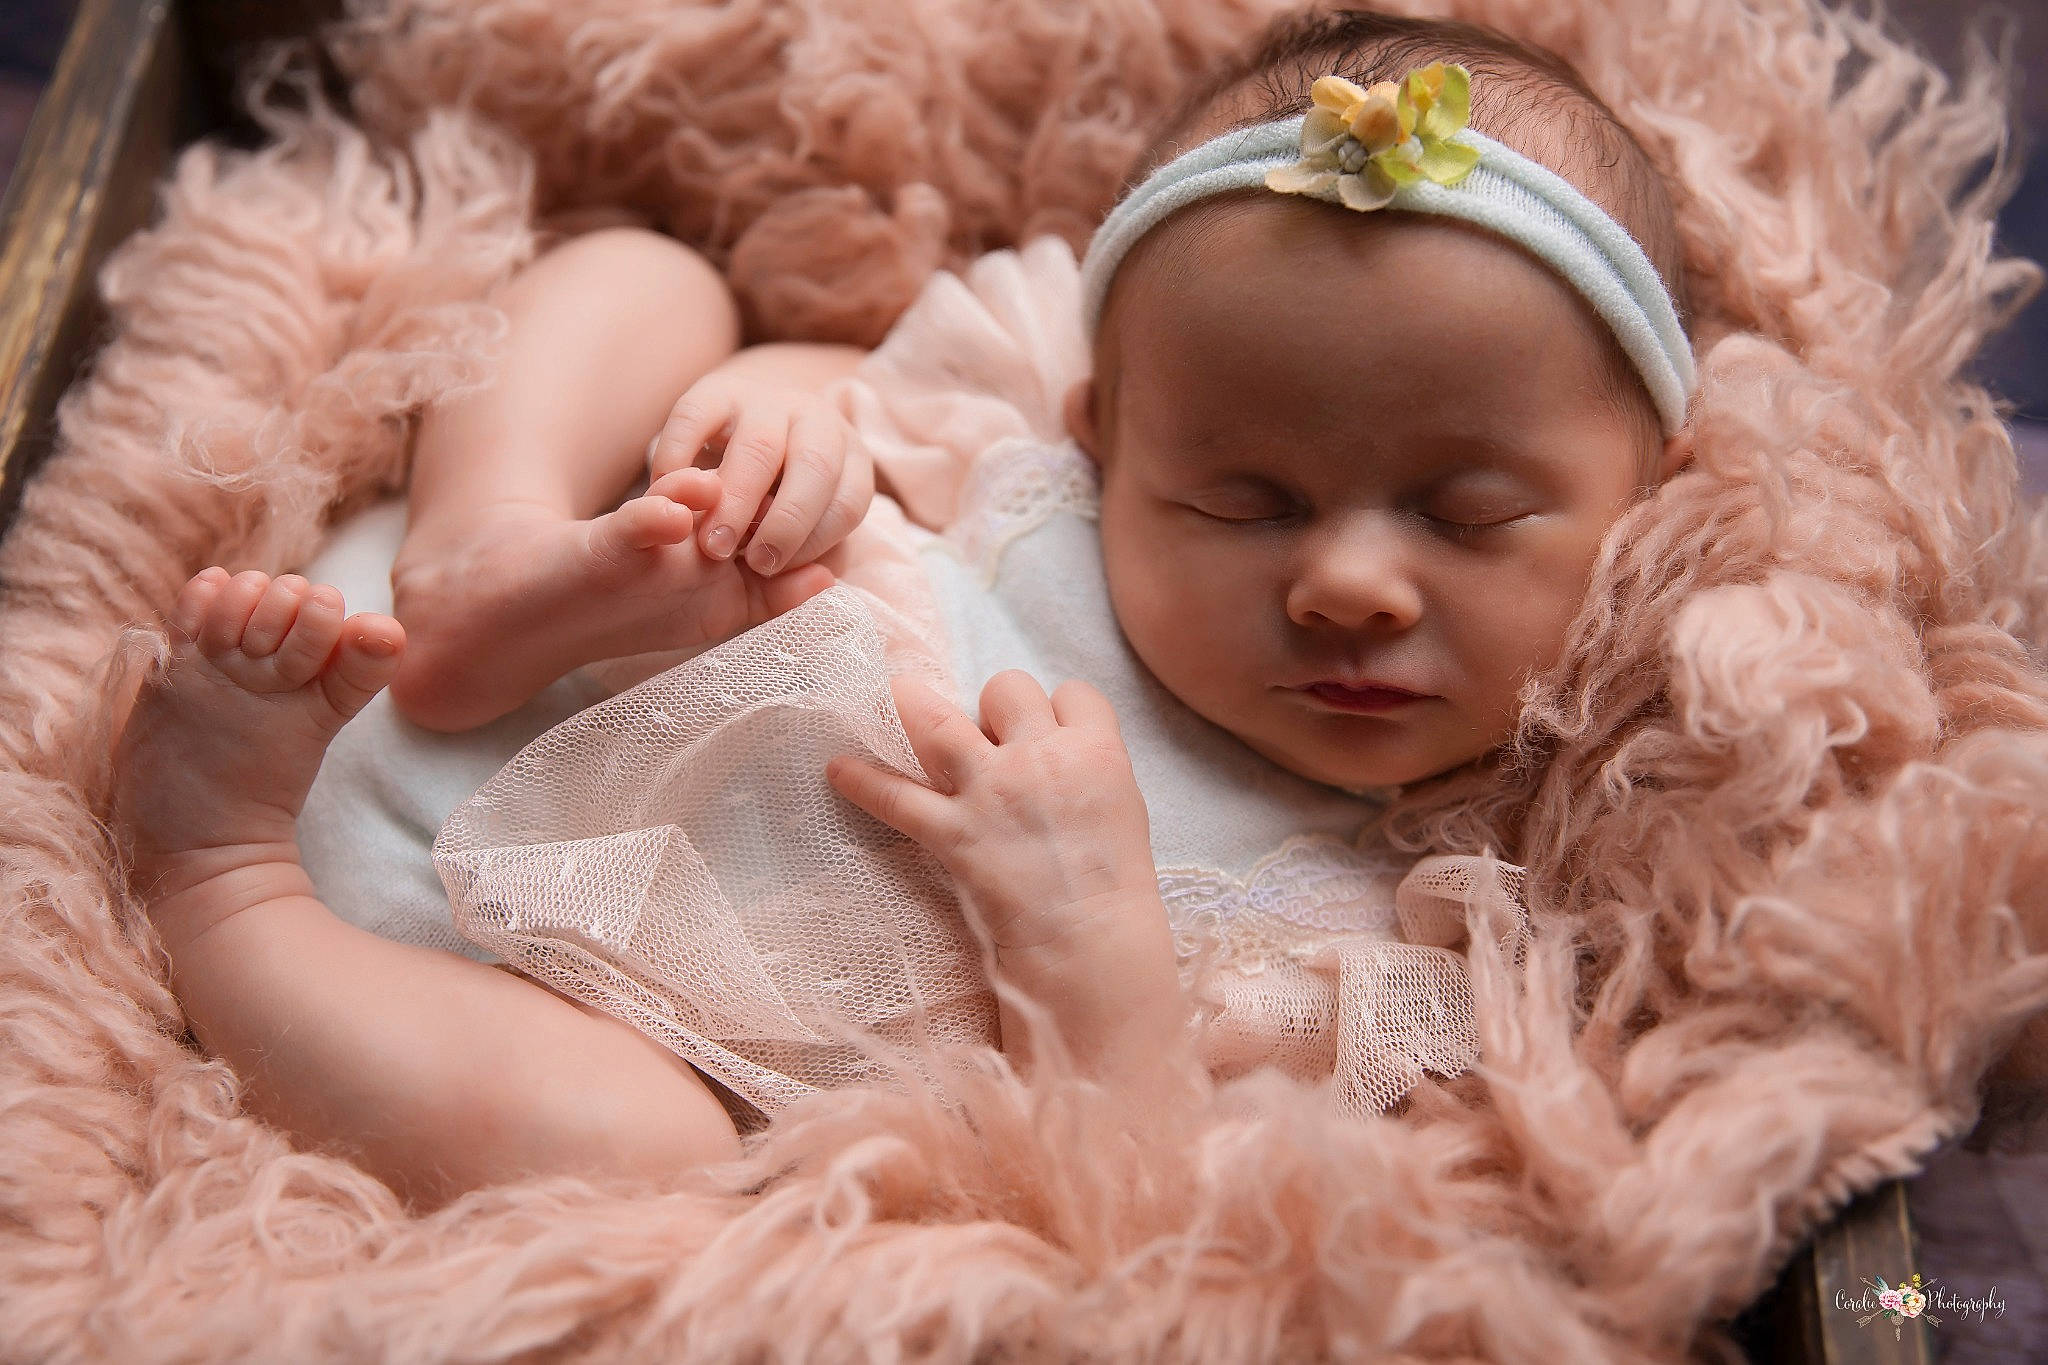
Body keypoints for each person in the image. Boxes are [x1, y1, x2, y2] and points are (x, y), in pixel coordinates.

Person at [110, 9, 1694, 1207]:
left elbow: (1133, 1195)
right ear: (1104, 434)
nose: (1348, 579)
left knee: (645, 1159)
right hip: (503, 645)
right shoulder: (1026, 419)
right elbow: (844, 371)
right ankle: (486, 538)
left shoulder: (1423, 917)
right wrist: (764, 433)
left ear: (1651, 496)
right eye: (1246, 500)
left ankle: (211, 877)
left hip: (478, 979)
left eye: (1465, 513)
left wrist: (1092, 936)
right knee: (655, 281)